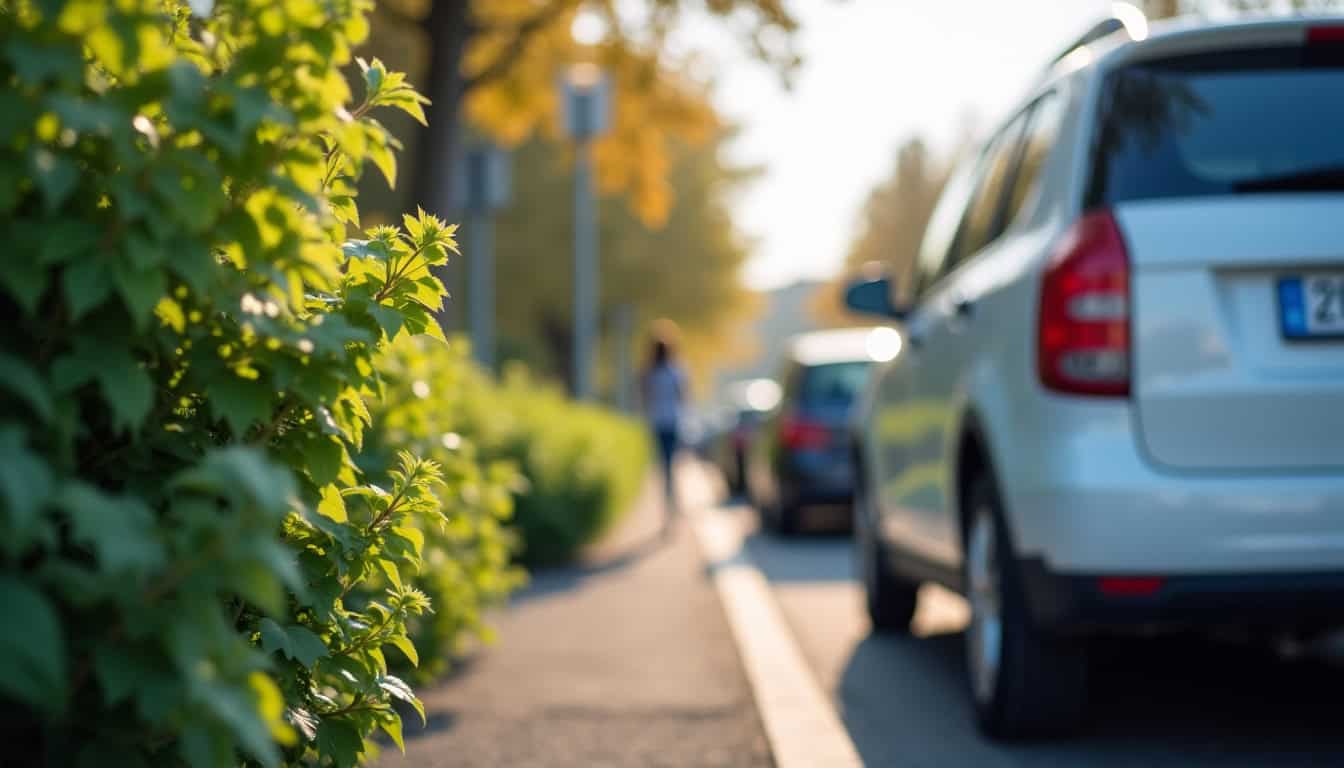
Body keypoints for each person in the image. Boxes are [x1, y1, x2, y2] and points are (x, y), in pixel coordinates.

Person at [641, 330, 686, 531]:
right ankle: (672, 508)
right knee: (671, 467)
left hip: (656, 423)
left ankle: (667, 509)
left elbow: (644, 397)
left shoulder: (649, 373)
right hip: (673, 422)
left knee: (662, 467)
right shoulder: (676, 371)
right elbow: (683, 397)